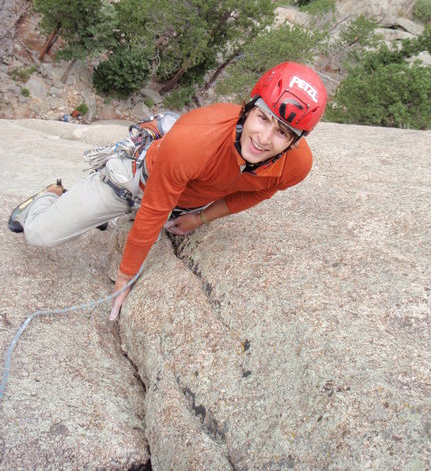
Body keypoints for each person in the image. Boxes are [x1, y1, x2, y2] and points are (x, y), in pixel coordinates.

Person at [11, 62, 327, 320]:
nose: (264, 138)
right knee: (40, 234)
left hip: (182, 197)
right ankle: (51, 194)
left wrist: (201, 218)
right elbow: (152, 210)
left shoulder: (296, 166)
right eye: (263, 119)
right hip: (135, 183)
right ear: (248, 109)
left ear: (295, 142)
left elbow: (259, 192)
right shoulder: (196, 141)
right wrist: (125, 277)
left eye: (283, 132)